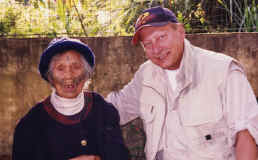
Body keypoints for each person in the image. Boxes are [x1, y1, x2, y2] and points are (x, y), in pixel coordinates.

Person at [106, 6, 258, 160]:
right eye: (148, 44)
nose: (156, 49)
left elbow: (246, 135)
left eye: (161, 37)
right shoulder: (146, 75)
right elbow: (113, 109)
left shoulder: (223, 71)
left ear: (180, 31)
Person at [12, 37, 130, 160]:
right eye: (60, 68)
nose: (69, 75)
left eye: (76, 66)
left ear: (86, 74)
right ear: (50, 76)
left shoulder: (103, 110)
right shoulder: (31, 124)